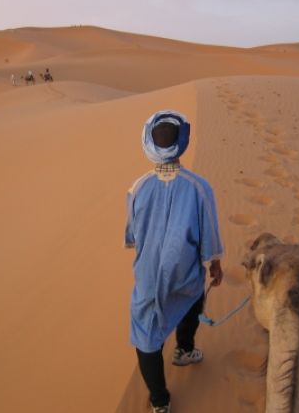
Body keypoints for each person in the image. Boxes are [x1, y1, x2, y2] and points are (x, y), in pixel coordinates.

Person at [125, 110, 224, 413]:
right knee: (191, 304)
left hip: (148, 277)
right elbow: (209, 236)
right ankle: (184, 350)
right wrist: (215, 265)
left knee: (146, 335)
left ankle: (159, 402)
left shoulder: (136, 188)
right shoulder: (199, 187)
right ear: (182, 142)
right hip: (185, 274)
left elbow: (132, 236)